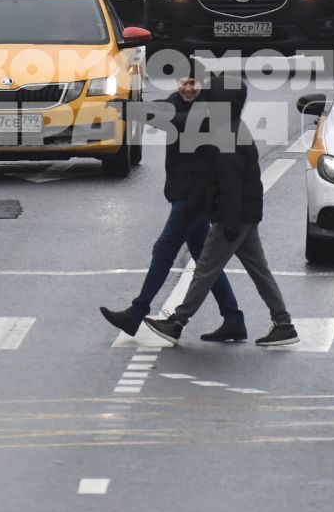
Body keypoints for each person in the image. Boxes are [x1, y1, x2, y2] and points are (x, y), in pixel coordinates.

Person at [139, 76, 297, 348]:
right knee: (259, 271)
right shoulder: (232, 126)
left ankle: (177, 322)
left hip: (231, 217)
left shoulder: (227, 136)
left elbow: (231, 183)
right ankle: (283, 324)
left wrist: (230, 222)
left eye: (210, 98)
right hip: (244, 215)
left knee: (205, 270)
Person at [100, 73, 246, 342]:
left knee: (164, 248)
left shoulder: (208, 111)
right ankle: (233, 318)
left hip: (195, 197)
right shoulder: (177, 101)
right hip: (185, 192)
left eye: (194, 83)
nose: (188, 88)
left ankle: (137, 311)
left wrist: (131, 111)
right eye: (183, 82)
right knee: (206, 261)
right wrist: (129, 106)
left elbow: (177, 121)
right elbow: (162, 111)